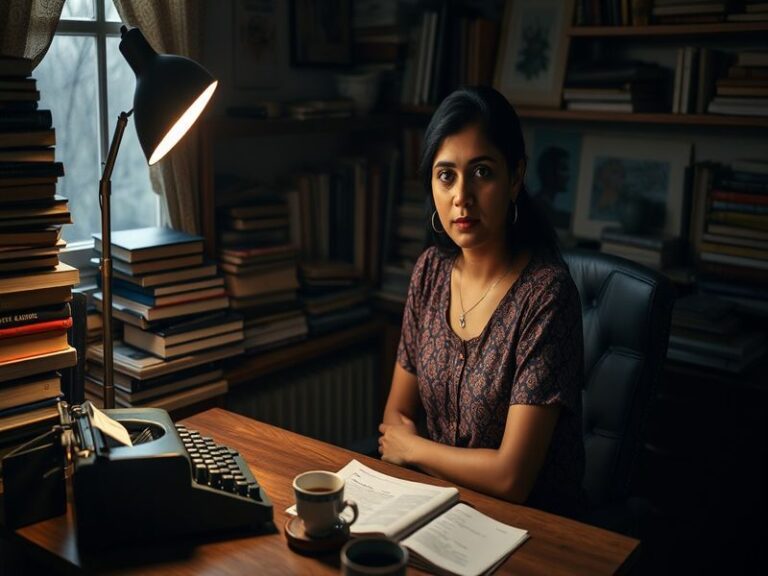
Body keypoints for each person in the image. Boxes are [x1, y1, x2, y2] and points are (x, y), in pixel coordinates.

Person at [378, 86, 586, 518]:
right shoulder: (431, 272)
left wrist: (413, 448)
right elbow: (397, 412)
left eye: (482, 173)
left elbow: (512, 477)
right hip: (436, 509)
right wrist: (409, 448)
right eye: (446, 175)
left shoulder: (546, 295)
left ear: (515, 178)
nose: (462, 197)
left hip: (532, 527)